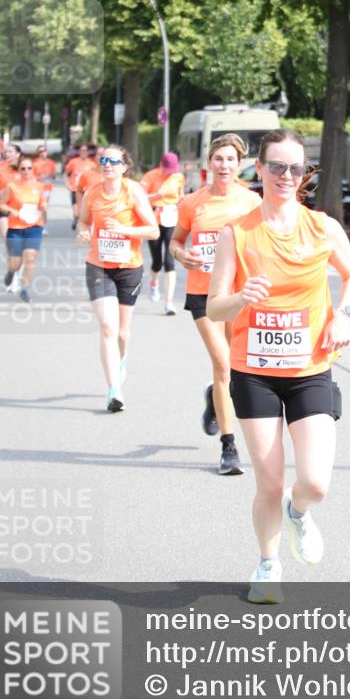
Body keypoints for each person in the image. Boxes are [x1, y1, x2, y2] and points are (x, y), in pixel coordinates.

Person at [207, 129, 350, 603]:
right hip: (254, 371)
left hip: (310, 368)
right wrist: (239, 296)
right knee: (270, 481)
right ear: (259, 169)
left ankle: (300, 512)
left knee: (314, 481)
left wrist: (343, 314)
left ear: (304, 174)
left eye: (296, 168)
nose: (286, 176)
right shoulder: (238, 232)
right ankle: (268, 563)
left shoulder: (322, 228)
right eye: (277, 166)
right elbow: (214, 307)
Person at [170, 135, 262, 475]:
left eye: (230, 160)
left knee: (235, 370)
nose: (224, 165)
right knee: (223, 364)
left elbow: (261, 243)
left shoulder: (251, 201)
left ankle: (214, 396)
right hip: (203, 294)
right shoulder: (193, 202)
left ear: (239, 165)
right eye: (218, 159)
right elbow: (176, 241)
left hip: (238, 294)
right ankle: (229, 447)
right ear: (209, 163)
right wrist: (183, 255)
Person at [77, 145, 158, 412]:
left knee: (123, 333)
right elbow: (83, 222)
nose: (107, 164)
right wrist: (83, 233)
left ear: (124, 166)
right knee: (108, 328)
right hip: (98, 266)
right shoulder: (92, 193)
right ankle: (114, 390)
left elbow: (153, 231)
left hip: (129, 267)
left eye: (113, 161)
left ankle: (122, 360)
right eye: (104, 160)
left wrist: (124, 229)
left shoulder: (133, 191)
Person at [0, 153, 48, 304]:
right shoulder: (11, 186)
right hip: (16, 227)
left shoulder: (38, 186)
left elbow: (43, 202)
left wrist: (44, 206)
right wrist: (11, 210)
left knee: (30, 258)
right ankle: (11, 272)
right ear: (19, 170)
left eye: (29, 168)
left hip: (34, 226)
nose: (26, 171)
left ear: (33, 170)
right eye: (23, 168)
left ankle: (24, 289)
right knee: (15, 262)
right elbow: (1, 204)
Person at [141, 152, 185, 315]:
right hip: (154, 219)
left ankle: (169, 302)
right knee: (157, 262)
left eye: (173, 170)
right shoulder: (150, 176)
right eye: (168, 170)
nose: (170, 173)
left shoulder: (178, 177)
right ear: (161, 166)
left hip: (172, 218)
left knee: (169, 261)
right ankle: (153, 282)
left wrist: (182, 201)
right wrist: (156, 195)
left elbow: (180, 195)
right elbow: (139, 197)